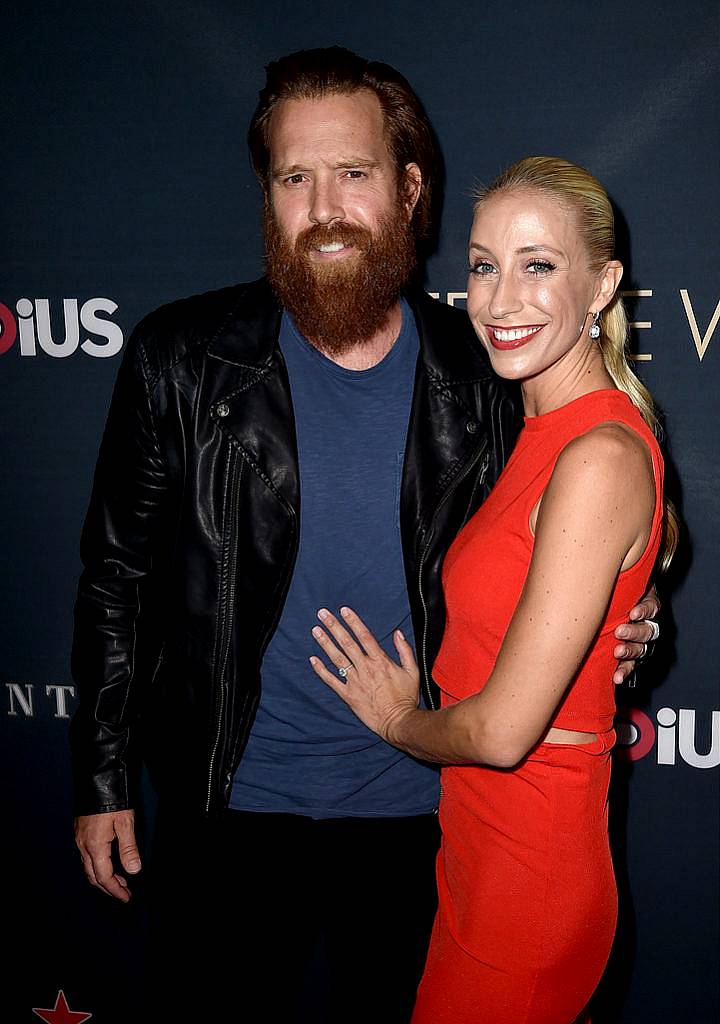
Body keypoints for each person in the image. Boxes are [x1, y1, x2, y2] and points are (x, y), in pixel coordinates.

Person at [70, 49, 659, 1023]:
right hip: (230, 808)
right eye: (295, 177)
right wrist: (100, 775)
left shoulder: (485, 373)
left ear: (409, 188)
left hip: (420, 814)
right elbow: (114, 574)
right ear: (269, 195)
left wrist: (622, 613)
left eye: (354, 172)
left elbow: (605, 482)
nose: (326, 204)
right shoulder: (181, 356)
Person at [310, 155, 677, 1024]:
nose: (501, 299)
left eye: (537, 265)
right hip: (482, 860)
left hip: (528, 883)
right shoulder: (543, 427)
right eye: (483, 265)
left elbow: (506, 733)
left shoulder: (597, 454)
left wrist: (399, 718)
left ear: (603, 285)